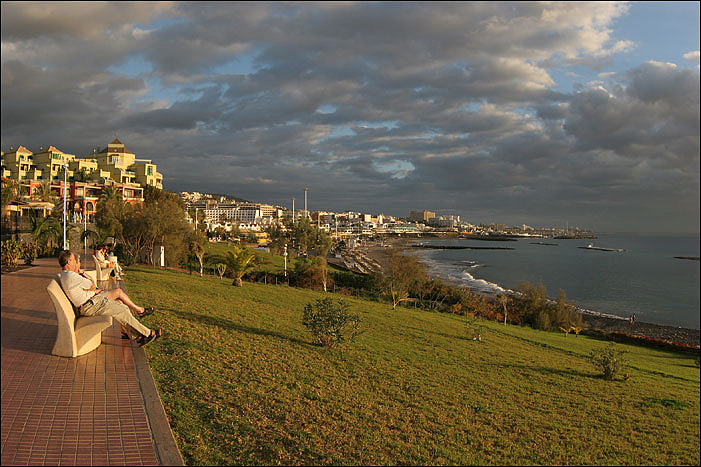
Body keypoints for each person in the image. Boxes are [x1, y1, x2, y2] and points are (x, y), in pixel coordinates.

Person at [58, 250, 162, 346]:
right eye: (74, 260)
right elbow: (91, 285)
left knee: (121, 305)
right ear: (69, 261)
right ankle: (148, 334)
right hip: (90, 305)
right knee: (122, 310)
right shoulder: (71, 276)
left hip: (92, 301)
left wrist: (89, 287)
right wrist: (85, 279)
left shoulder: (67, 275)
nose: (76, 261)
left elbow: (90, 287)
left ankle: (137, 336)